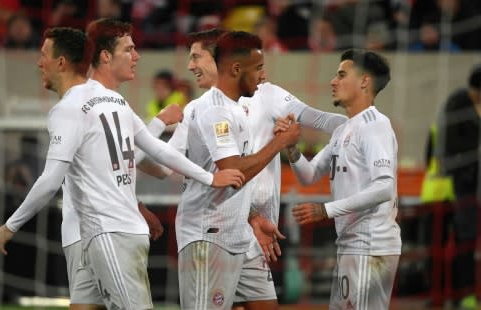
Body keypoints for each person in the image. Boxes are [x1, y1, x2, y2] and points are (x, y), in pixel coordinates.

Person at [0, 21, 244, 309]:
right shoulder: (114, 101)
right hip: (103, 231)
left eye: (43, 56)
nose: (39, 63)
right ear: (104, 57)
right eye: (130, 49)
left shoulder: (74, 107)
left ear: (61, 62)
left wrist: (10, 226)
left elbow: (57, 178)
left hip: (103, 231)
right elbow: (139, 159)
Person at [139, 28, 347, 309]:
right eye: (259, 67)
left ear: (218, 58)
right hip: (211, 232)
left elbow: (316, 119)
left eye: (196, 56)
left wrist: (360, 121)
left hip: (245, 227)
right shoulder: (201, 109)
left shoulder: (255, 99)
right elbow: (173, 168)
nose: (190, 66)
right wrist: (136, 149)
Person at [280, 49, 401, 309]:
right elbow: (309, 176)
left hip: (371, 245)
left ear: (365, 81)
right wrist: (291, 148)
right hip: (350, 244)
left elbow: (384, 187)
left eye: (341, 75)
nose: (333, 82)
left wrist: (326, 210)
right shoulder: (343, 129)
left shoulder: (374, 125)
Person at [435, 64, 481, 309]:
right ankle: (458, 295)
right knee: (459, 242)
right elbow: (453, 147)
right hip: (453, 188)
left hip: (467, 187)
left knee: (466, 241)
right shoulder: (458, 105)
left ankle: (460, 295)